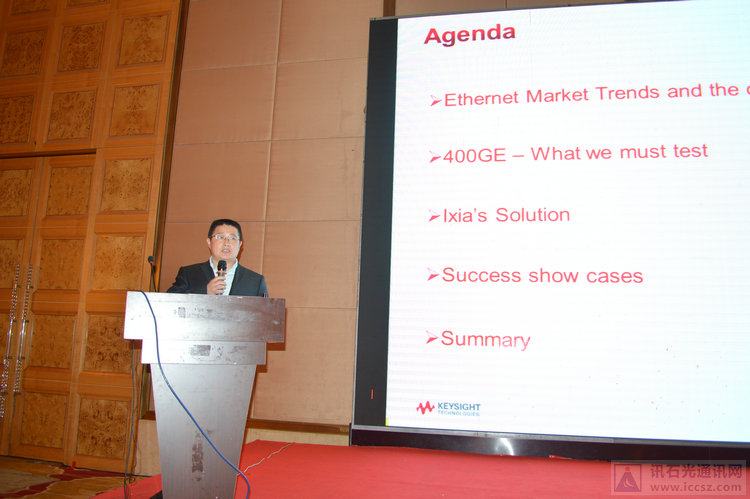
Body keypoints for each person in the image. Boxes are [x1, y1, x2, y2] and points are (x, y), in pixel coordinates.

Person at [166, 218, 267, 296]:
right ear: (209, 242)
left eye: (232, 238)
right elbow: (170, 301)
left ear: (240, 244)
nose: (226, 243)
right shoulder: (189, 274)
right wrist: (204, 291)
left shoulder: (255, 281)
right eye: (220, 237)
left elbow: (265, 313)